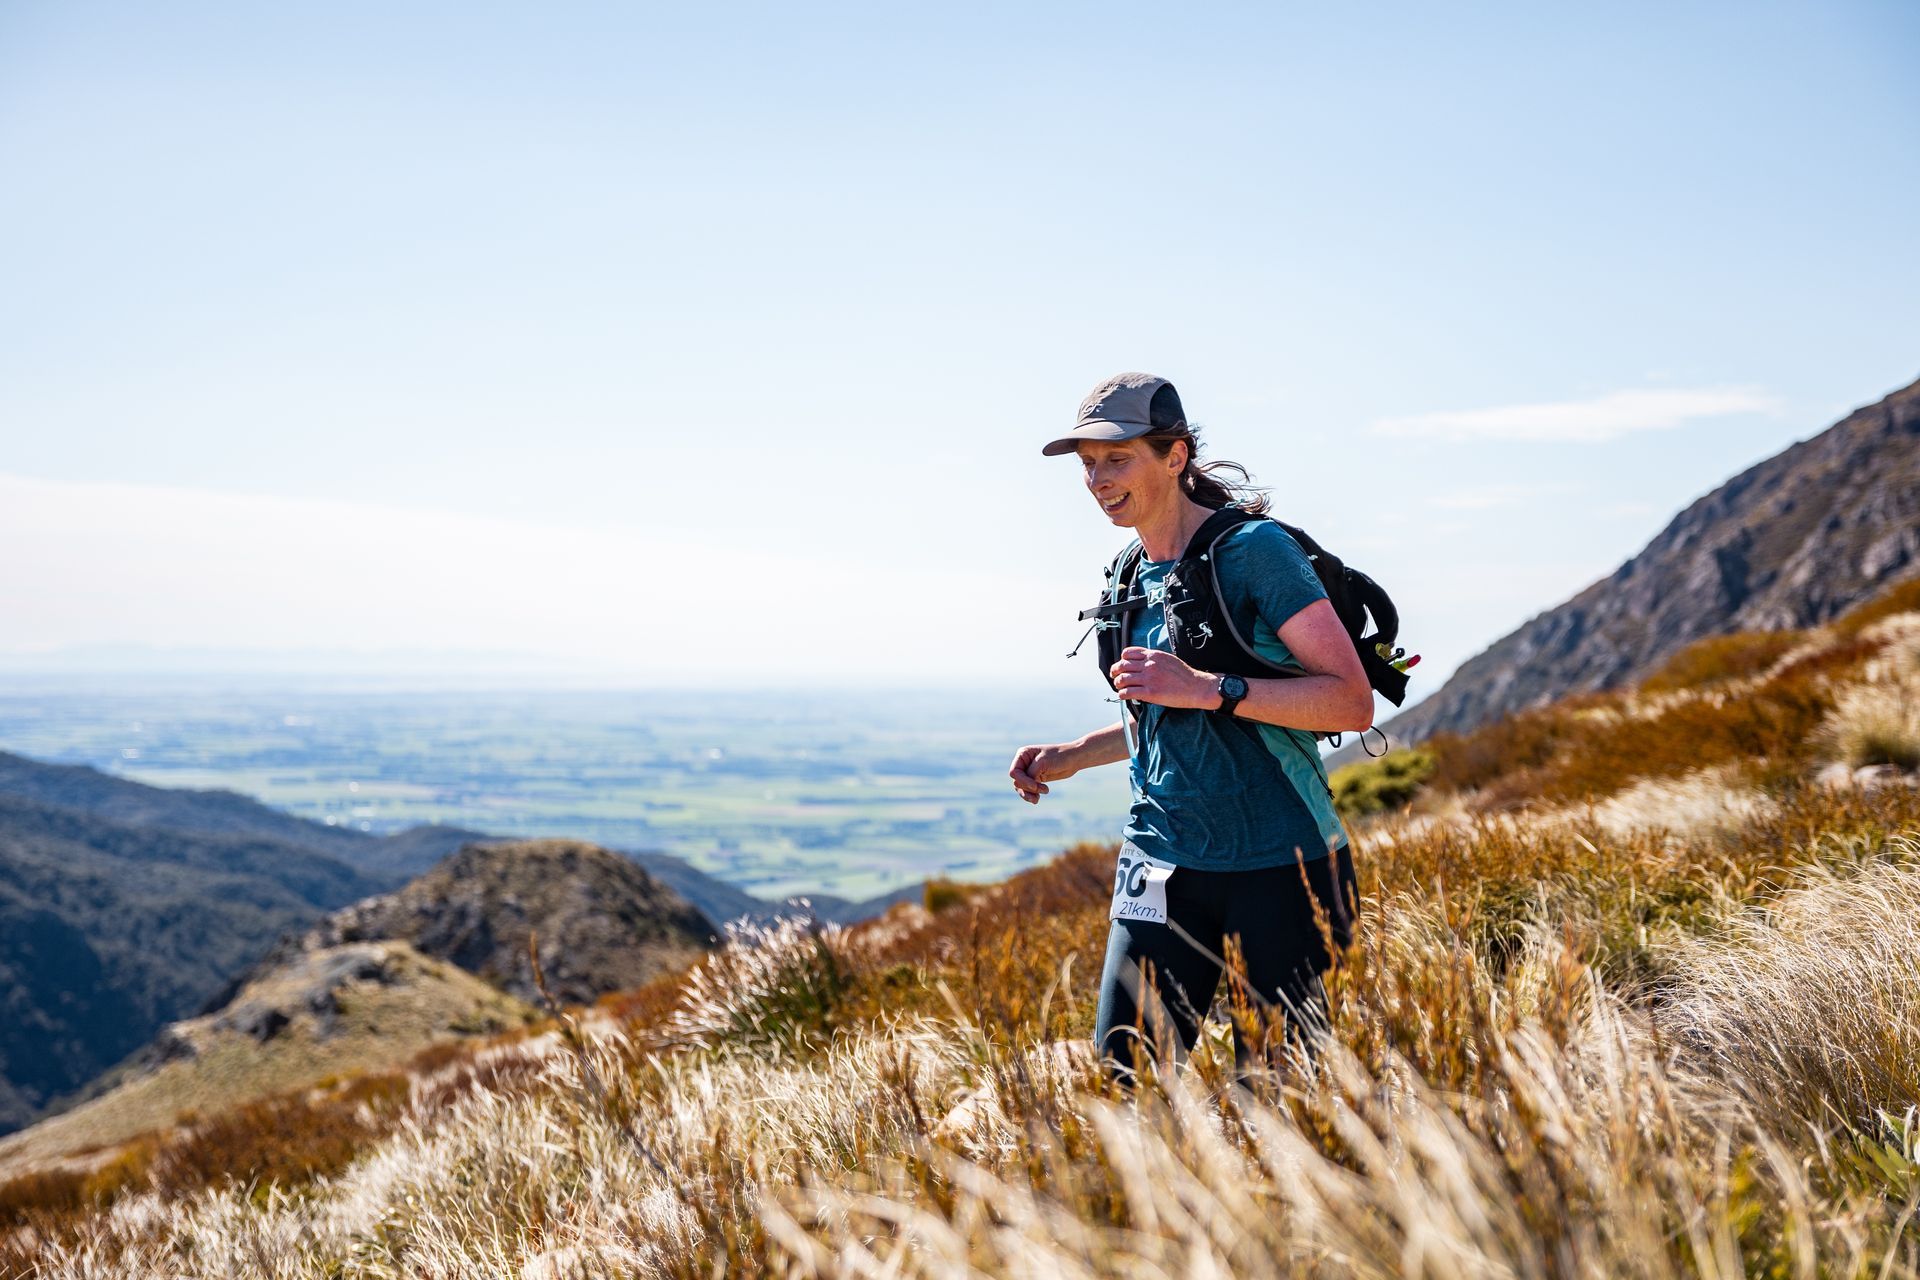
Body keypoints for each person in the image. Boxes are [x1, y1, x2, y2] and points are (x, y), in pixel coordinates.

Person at [1008, 372, 1375, 1082]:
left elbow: (1349, 703)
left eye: (1118, 459)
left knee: (1277, 1093)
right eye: (1088, 465)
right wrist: (1074, 755)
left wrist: (1208, 688)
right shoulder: (1127, 570)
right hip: (1160, 858)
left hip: (1279, 860)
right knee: (1125, 1078)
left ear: (1175, 456)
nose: (1097, 479)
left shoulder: (1256, 552)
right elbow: (1162, 711)